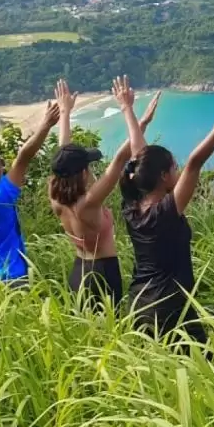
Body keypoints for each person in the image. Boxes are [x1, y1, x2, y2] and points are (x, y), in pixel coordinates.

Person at [118, 75, 214, 348]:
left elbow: (140, 158)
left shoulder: (132, 204)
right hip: (169, 306)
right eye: (173, 168)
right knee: (202, 370)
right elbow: (195, 162)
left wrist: (128, 110)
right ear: (164, 176)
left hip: (141, 302)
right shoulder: (165, 210)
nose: (178, 171)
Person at [48, 79, 160, 309]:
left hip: (78, 272)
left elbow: (63, 154)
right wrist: (137, 119)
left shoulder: (55, 194)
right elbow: (120, 159)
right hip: (102, 274)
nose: (91, 168)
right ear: (81, 172)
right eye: (88, 164)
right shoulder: (89, 202)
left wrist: (66, 112)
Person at [0, 102, 60, 286]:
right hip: (13, 276)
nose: (3, 165)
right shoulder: (0, 196)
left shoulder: (0, 192)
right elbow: (24, 156)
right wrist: (46, 124)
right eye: (0, 163)